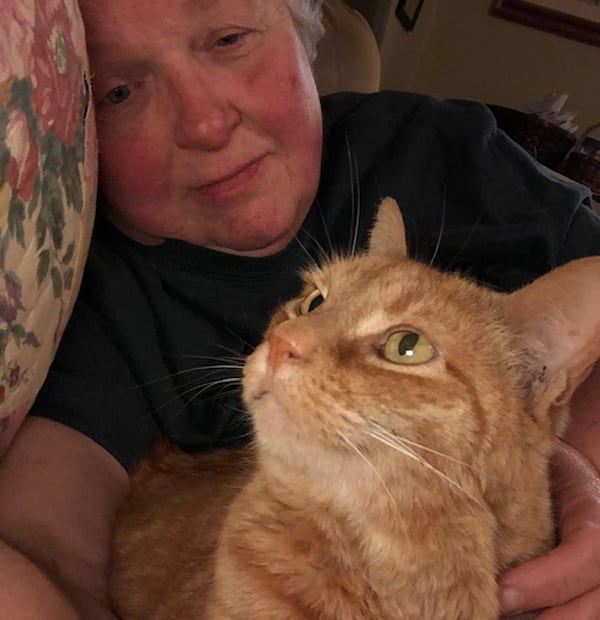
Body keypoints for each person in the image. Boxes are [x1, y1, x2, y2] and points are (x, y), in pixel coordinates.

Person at [0, 1, 599, 618]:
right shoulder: (83, 290)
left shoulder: (439, 147)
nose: (205, 123)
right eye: (119, 91)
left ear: (304, 34)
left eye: (230, 39)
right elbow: (42, 550)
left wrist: (563, 460)